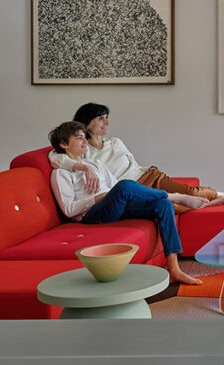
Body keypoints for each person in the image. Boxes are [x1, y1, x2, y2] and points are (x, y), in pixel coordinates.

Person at [47, 121, 207, 286]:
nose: (85, 141)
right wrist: (98, 197)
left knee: (163, 205)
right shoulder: (60, 173)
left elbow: (114, 187)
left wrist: (115, 196)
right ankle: (175, 197)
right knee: (125, 186)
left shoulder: (95, 164)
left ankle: (174, 269)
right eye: (79, 138)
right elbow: (68, 209)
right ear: (64, 144)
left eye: (84, 137)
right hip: (93, 214)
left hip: (114, 206)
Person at [50, 102, 224, 209]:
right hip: (131, 190)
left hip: (148, 177)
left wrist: (149, 170)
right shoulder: (83, 150)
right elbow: (56, 157)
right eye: (101, 118)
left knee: (192, 192)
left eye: (107, 118)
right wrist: (83, 167)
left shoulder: (115, 142)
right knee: (171, 206)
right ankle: (210, 203)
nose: (107, 122)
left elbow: (133, 164)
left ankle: (223, 194)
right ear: (86, 122)